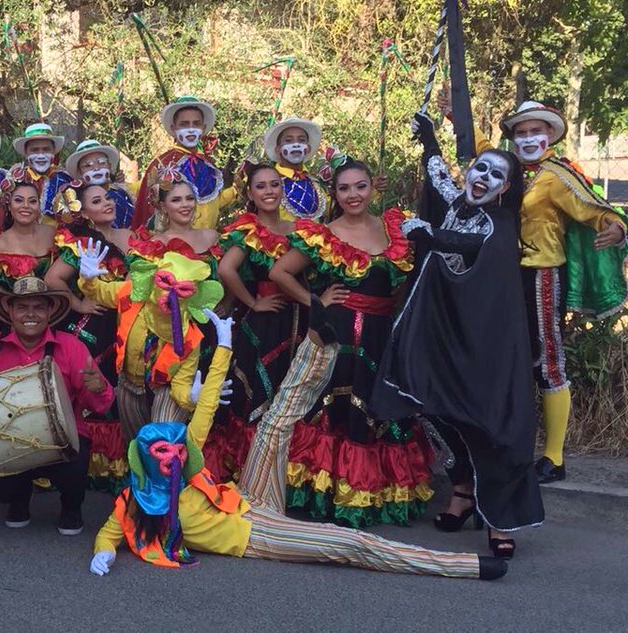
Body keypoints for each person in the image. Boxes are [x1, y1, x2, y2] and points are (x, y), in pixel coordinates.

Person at [88, 303, 508, 582]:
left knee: (273, 425)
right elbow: (109, 534)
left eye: (177, 448)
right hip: (254, 536)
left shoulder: (190, 465)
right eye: (162, 452)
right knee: (349, 543)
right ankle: (466, 567)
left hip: (248, 496)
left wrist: (225, 348)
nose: (175, 456)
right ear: (143, 457)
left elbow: (204, 409)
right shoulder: (134, 501)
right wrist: (103, 553)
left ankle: (319, 345)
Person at [371, 111, 543, 560]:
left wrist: (427, 235)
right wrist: (430, 140)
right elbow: (439, 178)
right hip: (446, 340)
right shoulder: (459, 204)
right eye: (479, 168)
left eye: (495, 175)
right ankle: (463, 493)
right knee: (439, 410)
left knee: (492, 422)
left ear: (506, 188)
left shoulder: (498, 226)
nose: (482, 177)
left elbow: (465, 245)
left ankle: (498, 517)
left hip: (486, 348)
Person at [467, 100, 627, 483]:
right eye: (520, 133)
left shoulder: (557, 176)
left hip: (541, 277)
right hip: (502, 275)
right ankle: (506, 440)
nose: (527, 138)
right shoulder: (505, 169)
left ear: (551, 134)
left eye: (535, 131)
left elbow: (594, 207)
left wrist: (616, 225)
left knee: (546, 359)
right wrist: (459, 116)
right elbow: (482, 149)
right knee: (502, 355)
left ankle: (554, 457)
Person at [268, 159, 433, 527]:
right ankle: (334, 494)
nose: (353, 195)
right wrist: (317, 301)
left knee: (380, 408)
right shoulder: (324, 234)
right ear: (335, 194)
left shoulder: (396, 228)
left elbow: (412, 277)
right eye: (344, 189)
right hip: (340, 338)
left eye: (360, 186)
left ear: (373, 187)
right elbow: (279, 272)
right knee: (339, 411)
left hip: (383, 336)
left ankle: (375, 492)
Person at [78, 169, 225, 442]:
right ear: (163, 207)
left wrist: (222, 317)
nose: (185, 205)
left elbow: (220, 285)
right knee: (141, 432)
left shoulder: (213, 237)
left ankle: (183, 476)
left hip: (198, 335)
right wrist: (87, 282)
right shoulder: (150, 243)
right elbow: (132, 292)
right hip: (153, 336)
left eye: (189, 199)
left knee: (184, 424)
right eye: (177, 200)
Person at [0, 277, 114, 533]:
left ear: (49, 312)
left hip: (63, 437)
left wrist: (98, 388)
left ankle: (71, 506)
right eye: (22, 307)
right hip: (8, 440)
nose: (30, 314)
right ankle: (18, 499)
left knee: (75, 465)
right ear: (10, 312)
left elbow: (100, 406)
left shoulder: (70, 346)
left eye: (38, 307)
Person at [205, 163, 302, 481]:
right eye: (261, 186)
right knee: (261, 391)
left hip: (298, 321)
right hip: (263, 323)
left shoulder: (299, 229)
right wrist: (253, 301)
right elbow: (225, 270)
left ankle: (283, 472)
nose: (269, 191)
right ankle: (253, 470)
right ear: (250, 193)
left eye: (275, 184)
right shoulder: (247, 229)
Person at [45, 183, 131, 488]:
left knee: (117, 383)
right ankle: (81, 462)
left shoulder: (131, 236)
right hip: (93, 325)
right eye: (97, 201)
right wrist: (79, 302)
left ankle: (112, 466)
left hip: (126, 322)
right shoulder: (79, 241)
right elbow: (52, 278)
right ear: (84, 211)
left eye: (107, 197)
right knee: (89, 385)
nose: (107, 203)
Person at [0, 170, 58, 314]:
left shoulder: (55, 234)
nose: (26, 206)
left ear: (39, 206)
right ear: (9, 204)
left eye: (32, 201)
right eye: (19, 200)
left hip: (55, 313)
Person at [132, 97, 234, 229]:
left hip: (208, 244)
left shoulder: (209, 164)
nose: (191, 129)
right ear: (173, 128)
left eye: (196, 124)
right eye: (184, 124)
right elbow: (150, 210)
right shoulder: (162, 165)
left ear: (203, 128)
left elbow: (214, 203)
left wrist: (236, 191)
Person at [261, 117, 334, 222]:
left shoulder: (315, 183)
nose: (296, 144)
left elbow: (330, 208)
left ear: (307, 148)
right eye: (288, 140)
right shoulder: (265, 179)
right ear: (278, 149)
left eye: (301, 140)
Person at [7, 123, 73, 223]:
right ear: (26, 153)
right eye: (35, 150)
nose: (41, 155)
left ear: (54, 152)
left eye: (46, 150)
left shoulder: (66, 180)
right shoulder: (13, 180)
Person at [63, 140, 135, 228]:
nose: (96, 168)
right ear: (79, 173)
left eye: (102, 163)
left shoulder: (123, 192)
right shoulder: (76, 203)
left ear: (109, 166)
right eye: (88, 166)